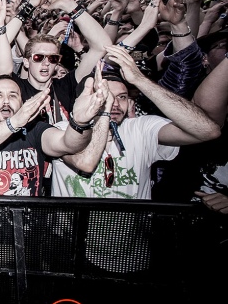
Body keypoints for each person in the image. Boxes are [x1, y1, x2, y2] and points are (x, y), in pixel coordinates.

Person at [51, 46, 221, 199]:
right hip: (72, 234)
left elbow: (208, 131)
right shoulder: (63, 131)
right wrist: (104, 111)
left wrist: (140, 80)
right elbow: (84, 163)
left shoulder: (140, 128)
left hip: (131, 233)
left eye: (122, 97)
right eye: (106, 96)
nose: (115, 104)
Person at [0, 72, 108, 196]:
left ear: (21, 102)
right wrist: (14, 122)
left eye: (13, 95)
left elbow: (69, 144)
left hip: (30, 230)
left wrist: (80, 123)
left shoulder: (35, 130)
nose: (6, 101)